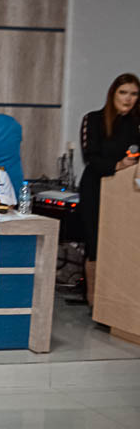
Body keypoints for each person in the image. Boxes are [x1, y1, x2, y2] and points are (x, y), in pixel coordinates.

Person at [78, 73, 140, 306]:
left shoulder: (136, 124)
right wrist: (117, 165)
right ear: (113, 94)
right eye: (123, 93)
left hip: (128, 193)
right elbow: (90, 156)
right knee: (95, 243)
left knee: (122, 245)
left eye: (134, 94)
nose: (128, 99)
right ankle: (95, 300)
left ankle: (117, 302)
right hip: (97, 186)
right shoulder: (93, 119)